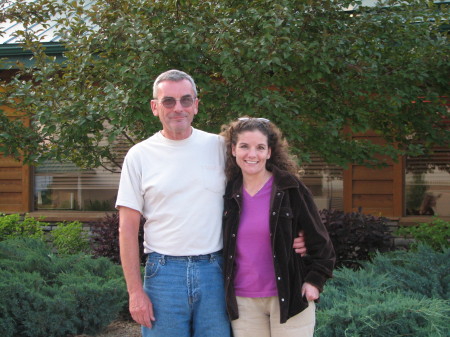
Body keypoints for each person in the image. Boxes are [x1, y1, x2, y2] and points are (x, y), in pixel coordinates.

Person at [116, 69, 307, 337]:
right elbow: (127, 229)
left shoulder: (221, 148)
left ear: (196, 104)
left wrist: (300, 233)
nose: (177, 108)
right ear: (154, 107)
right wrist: (135, 292)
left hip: (216, 271)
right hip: (163, 274)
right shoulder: (139, 156)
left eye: (185, 99)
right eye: (168, 101)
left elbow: (264, 191)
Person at [220, 117, 336, 337]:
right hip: (243, 302)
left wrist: (314, 281)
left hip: (290, 298)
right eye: (244, 146)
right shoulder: (226, 193)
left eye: (260, 147)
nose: (252, 154)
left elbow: (321, 243)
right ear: (233, 149)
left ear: (269, 152)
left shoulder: (290, 188)